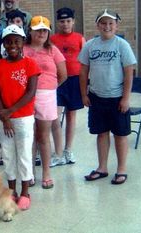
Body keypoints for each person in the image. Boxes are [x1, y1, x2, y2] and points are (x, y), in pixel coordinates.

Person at [78, 9, 136, 185]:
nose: (107, 26)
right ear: (97, 25)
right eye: (103, 23)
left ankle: (121, 169)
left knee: (120, 134)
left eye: (111, 23)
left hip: (117, 98)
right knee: (101, 133)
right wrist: (84, 94)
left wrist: (126, 98)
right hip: (96, 97)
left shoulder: (122, 45)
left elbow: (128, 73)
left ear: (116, 26)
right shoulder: (90, 45)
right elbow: (83, 71)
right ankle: (102, 168)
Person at [0, 24, 40, 210]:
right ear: (3, 43)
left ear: (22, 43)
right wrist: (4, 117)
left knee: (24, 154)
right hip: (4, 119)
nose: (12, 45)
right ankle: (12, 191)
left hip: (23, 118)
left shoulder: (30, 64)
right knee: (8, 155)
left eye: (16, 41)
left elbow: (31, 92)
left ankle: (25, 192)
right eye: (8, 42)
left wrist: (9, 112)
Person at [23, 16, 67, 189]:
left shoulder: (53, 50)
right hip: (26, 96)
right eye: (37, 29)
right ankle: (30, 172)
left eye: (44, 30)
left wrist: (49, 87)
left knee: (43, 136)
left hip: (47, 96)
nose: (41, 33)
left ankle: (46, 173)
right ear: (30, 31)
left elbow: (63, 74)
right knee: (29, 136)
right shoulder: (23, 49)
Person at [49, 7, 86, 167]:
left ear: (73, 21)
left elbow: (86, 62)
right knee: (54, 117)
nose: (65, 24)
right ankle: (57, 152)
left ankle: (67, 150)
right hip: (57, 81)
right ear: (58, 23)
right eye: (62, 21)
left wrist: (86, 82)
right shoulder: (52, 39)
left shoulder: (79, 38)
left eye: (68, 21)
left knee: (71, 115)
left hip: (75, 80)